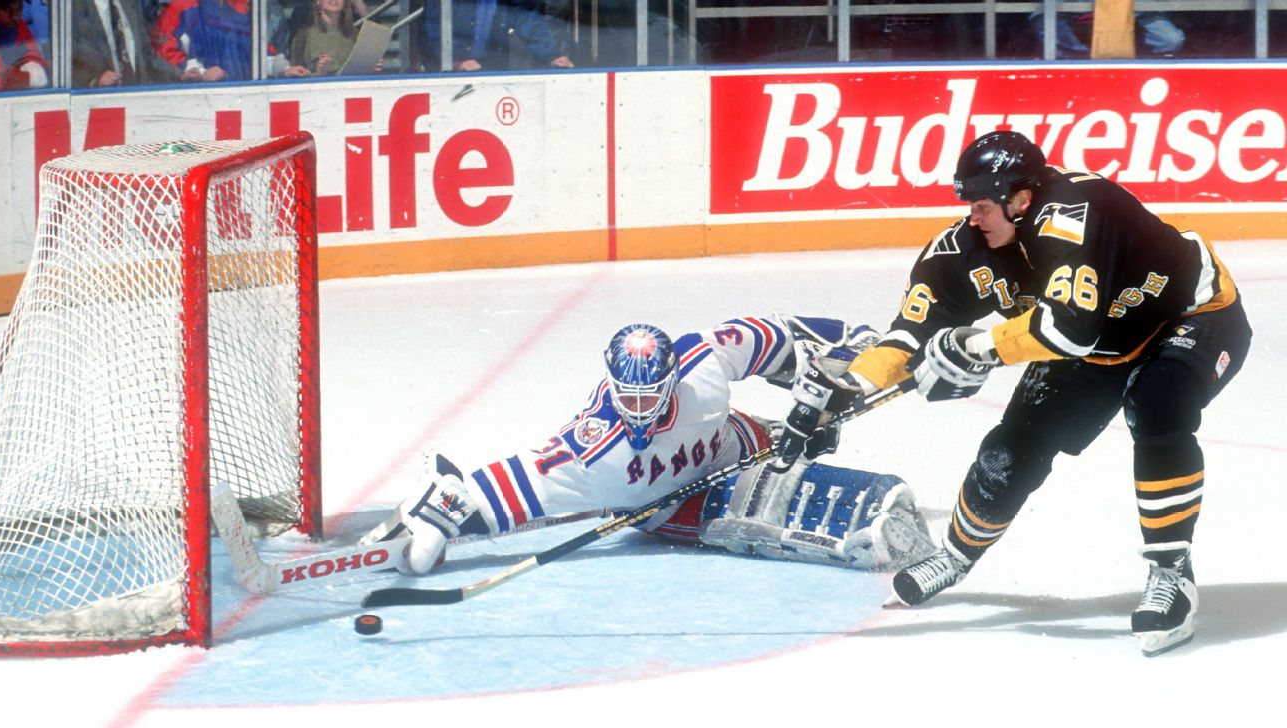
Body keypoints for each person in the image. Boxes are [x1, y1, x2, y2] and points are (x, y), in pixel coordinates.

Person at [779, 130, 1252, 656]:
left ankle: (1171, 572)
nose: (972, 218)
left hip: (1188, 316)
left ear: (1020, 199)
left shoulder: (1074, 210)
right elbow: (907, 335)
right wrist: (849, 388)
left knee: (1159, 405)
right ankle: (957, 555)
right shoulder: (963, 250)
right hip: (1097, 344)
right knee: (1014, 444)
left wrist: (975, 346)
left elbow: (1071, 329)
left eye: (982, 205)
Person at [362, 316, 934, 577]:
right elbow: (523, 479)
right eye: (627, 396)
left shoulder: (702, 362)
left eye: (650, 395)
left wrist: (847, 346)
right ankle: (866, 522)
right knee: (757, 515)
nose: (638, 408)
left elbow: (775, 337)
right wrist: (447, 509)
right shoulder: (598, 449)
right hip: (672, 502)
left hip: (729, 438)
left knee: (791, 450)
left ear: (670, 379)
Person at [153, 0, 309, 81]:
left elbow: (259, 51)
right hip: (197, 98)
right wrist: (201, 73)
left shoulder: (244, 6)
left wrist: (282, 68)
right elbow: (162, 54)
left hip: (243, 93)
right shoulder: (182, 6)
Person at [421, 0, 573, 72]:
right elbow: (433, 31)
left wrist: (552, 55)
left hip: (491, 67)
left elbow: (528, 21)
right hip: (449, 74)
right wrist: (457, 62)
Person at [73, 0, 179, 88]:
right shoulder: (73, 8)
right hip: (100, 102)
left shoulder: (130, 4)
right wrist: (94, 81)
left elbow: (146, 54)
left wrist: (179, 74)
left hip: (136, 98)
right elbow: (67, 61)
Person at [1030, 11, 1184, 58]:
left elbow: (1169, 40)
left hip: (1128, 7)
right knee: (1043, 21)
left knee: (1170, 39)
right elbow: (1041, 18)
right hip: (1075, 8)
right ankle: (1084, 65)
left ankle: (1135, 65)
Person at [289, 0, 359, 76]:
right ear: (318, 1)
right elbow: (297, 73)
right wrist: (319, 72)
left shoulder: (354, 34)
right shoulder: (303, 35)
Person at [0, 0, 48, 91]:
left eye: (19, 10)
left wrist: (8, 76)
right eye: (8, 10)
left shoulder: (19, 26)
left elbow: (40, 75)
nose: (14, 17)